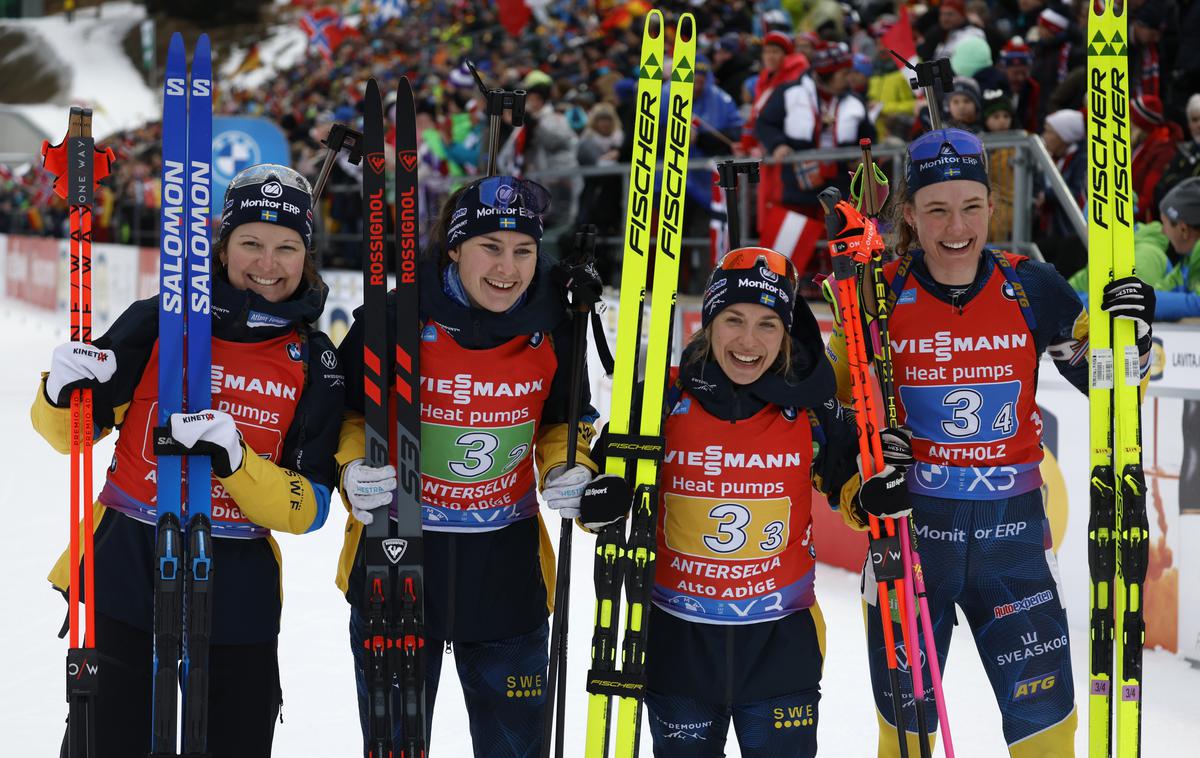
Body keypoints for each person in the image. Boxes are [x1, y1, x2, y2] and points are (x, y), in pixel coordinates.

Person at [826, 127, 1157, 757]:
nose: (957, 226)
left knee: (1048, 731)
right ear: (909, 216)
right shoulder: (876, 293)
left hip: (1016, 543)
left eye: (972, 206)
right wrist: (865, 466)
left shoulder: (1032, 285)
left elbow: (1109, 387)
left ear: (992, 208)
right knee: (906, 740)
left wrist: (1133, 343)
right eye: (937, 209)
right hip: (911, 538)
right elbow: (832, 408)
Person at [32, 163, 344, 757]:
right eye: (250, 242)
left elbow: (310, 509)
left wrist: (235, 461)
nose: (267, 263)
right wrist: (59, 392)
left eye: (287, 247)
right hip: (125, 563)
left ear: (308, 255)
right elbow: (70, 436)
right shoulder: (159, 321)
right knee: (106, 742)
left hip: (237, 583)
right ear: (223, 248)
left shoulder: (316, 360)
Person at [581, 247, 901, 757]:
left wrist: (875, 497)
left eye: (767, 324)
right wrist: (596, 503)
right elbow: (602, 488)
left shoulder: (811, 409)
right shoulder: (661, 398)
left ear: (787, 331)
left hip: (780, 645)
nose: (748, 342)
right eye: (733, 320)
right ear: (708, 322)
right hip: (676, 642)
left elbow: (851, 494)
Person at [334, 175, 600, 756]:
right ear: (454, 248)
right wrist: (353, 466)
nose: (508, 267)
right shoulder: (393, 316)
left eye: (524, 250)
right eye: (491, 247)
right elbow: (348, 411)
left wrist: (567, 467)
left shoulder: (557, 323)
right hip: (396, 559)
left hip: (507, 572)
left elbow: (564, 421)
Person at [1069, 176, 1200, 321]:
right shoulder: (1188, 260)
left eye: (1165, 223)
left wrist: (1130, 300)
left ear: (1183, 230)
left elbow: (1136, 303)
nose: (1163, 231)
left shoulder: (1145, 256)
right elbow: (1160, 291)